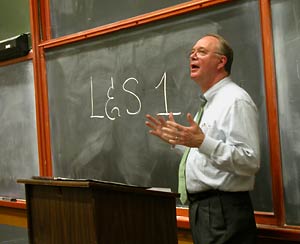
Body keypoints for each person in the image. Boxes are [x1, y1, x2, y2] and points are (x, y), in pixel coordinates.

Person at [145, 33, 260, 244]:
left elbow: (250, 160)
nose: (193, 57)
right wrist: (178, 141)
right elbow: (208, 155)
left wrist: (200, 142)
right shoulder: (210, 102)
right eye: (191, 52)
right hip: (204, 211)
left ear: (221, 61)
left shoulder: (234, 100)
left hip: (223, 211)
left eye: (202, 52)